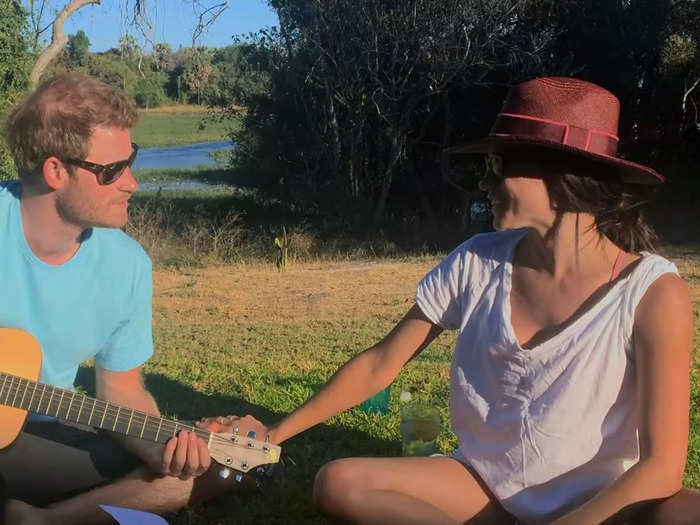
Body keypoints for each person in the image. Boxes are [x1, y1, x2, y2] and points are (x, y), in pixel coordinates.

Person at [207, 77, 699, 524]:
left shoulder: (652, 293)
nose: (485, 183)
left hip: (604, 504)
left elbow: (661, 468)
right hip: (487, 491)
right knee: (339, 482)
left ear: (561, 177)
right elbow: (382, 363)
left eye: (498, 166)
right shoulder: (476, 262)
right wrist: (274, 432)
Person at [0, 73, 260, 525]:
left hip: (40, 438)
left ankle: (40, 520)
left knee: (217, 470)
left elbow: (120, 390)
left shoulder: (128, 266)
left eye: (131, 160)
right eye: (111, 170)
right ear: (55, 171)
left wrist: (164, 447)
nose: (132, 184)